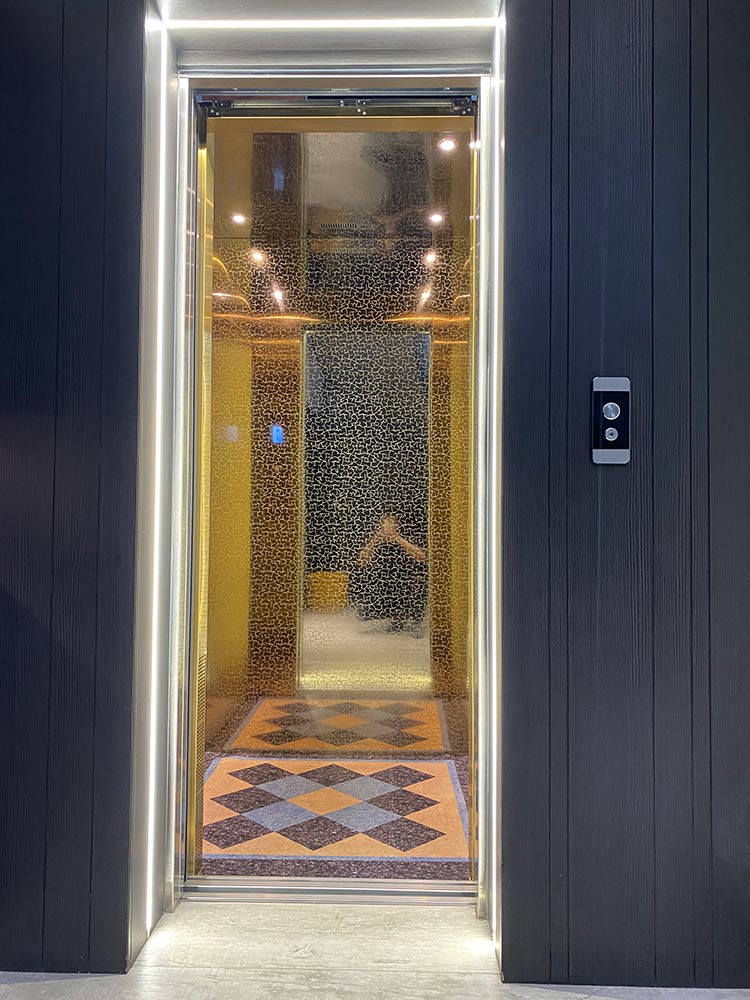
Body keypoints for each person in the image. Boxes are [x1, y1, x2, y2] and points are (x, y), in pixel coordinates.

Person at [351, 514, 428, 635]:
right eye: (386, 524)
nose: (388, 528)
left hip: (404, 583)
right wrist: (374, 541)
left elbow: (422, 557)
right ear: (380, 527)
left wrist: (398, 539)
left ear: (397, 527)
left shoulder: (404, 539)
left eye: (391, 524)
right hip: (383, 585)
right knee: (363, 611)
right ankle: (394, 618)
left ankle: (409, 621)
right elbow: (361, 561)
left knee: (418, 588)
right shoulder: (376, 541)